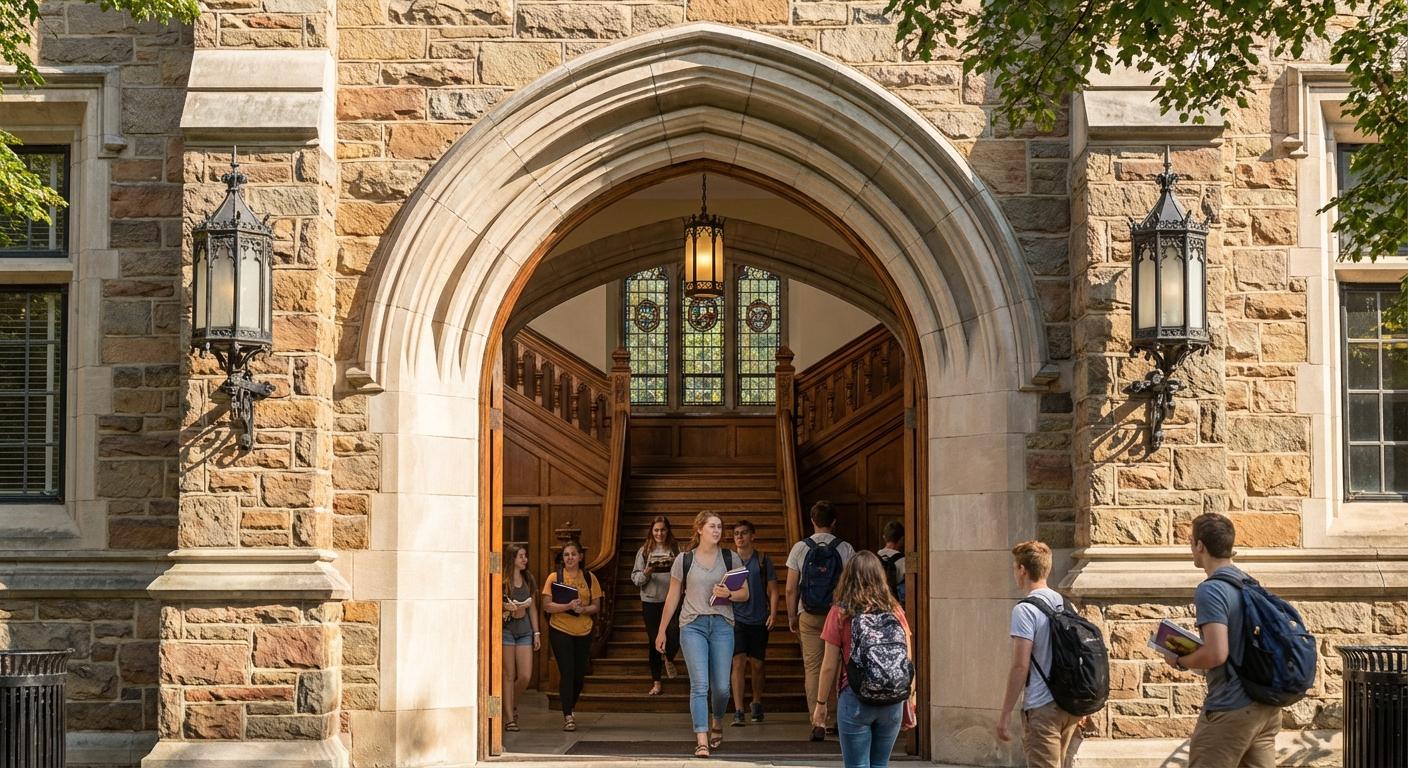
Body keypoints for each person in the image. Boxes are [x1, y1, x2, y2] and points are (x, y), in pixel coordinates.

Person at [1171, 513, 1283, 768]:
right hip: (1264, 707)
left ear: (1200, 546)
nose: (1191, 547)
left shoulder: (1211, 589)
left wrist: (1179, 658)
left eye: (1191, 541)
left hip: (1231, 708)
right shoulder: (1248, 582)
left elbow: (1217, 653)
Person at [655, 511, 750, 758]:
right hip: (692, 625)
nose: (717, 530)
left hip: (722, 624)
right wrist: (662, 630)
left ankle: (717, 719)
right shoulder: (684, 560)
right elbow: (673, 596)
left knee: (721, 688)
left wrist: (729, 594)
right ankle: (701, 738)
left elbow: (745, 594)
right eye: (711, 526)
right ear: (699, 529)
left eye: (719, 526)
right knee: (700, 685)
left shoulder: (731, 558)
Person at [811, 551, 914, 768]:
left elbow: (829, 665)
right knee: (880, 765)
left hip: (855, 697)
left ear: (847, 577)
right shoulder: (895, 611)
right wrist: (910, 698)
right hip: (892, 700)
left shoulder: (840, 611)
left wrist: (821, 703)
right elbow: (907, 658)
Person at [997, 540, 1082, 768]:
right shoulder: (1066, 604)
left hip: (1043, 707)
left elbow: (1020, 666)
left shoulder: (1025, 610)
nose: (1015, 573)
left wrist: (1005, 714)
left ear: (1022, 570)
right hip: (1069, 705)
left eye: (1015, 567)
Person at [786, 500, 855, 740]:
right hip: (837, 614)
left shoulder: (799, 548)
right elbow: (850, 586)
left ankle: (817, 720)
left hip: (809, 613)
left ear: (812, 521)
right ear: (834, 522)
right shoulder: (845, 548)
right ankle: (834, 719)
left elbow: (791, 588)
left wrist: (793, 615)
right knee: (836, 666)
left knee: (813, 668)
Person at [541, 539, 600, 732]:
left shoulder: (590, 578)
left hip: (584, 630)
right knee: (567, 672)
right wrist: (567, 606)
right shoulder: (554, 577)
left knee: (578, 674)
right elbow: (547, 605)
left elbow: (596, 607)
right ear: (562, 557)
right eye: (566, 555)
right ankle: (568, 715)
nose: (570, 558)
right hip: (560, 629)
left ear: (580, 557)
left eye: (573, 554)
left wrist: (582, 609)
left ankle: (571, 705)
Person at [728, 519, 779, 726]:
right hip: (736, 619)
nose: (739, 537)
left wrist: (774, 613)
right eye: (736, 534)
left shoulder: (763, 560)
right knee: (738, 662)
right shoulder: (729, 561)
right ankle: (739, 709)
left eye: (743, 533)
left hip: (759, 618)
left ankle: (756, 701)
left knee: (757, 664)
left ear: (752, 536)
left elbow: (773, 589)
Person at [633, 515, 681, 695]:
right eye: (656, 530)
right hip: (651, 602)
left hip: (672, 599)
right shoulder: (644, 551)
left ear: (668, 531)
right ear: (651, 532)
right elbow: (635, 579)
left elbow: (686, 572)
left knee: (675, 633)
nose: (659, 533)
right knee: (654, 641)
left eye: (662, 530)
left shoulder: (676, 549)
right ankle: (657, 682)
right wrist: (646, 573)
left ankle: (668, 657)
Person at [501, 543, 540, 733]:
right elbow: (496, 604)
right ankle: (509, 718)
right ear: (512, 559)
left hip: (524, 632)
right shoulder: (503, 580)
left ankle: (508, 703)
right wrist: (504, 606)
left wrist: (536, 632)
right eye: (521, 556)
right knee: (508, 675)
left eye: (525, 555)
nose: (525, 559)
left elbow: (532, 607)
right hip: (507, 631)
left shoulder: (528, 578)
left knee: (524, 676)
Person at [877, 521, 905, 603]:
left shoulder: (874, 557)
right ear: (902, 539)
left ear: (884, 537)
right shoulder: (903, 561)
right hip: (894, 602)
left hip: (877, 601)